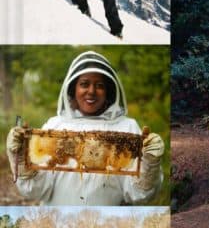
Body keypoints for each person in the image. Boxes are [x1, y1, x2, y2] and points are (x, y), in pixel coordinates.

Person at [5, 51, 165, 205]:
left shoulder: (127, 127)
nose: (91, 91)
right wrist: (21, 157)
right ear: (73, 88)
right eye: (84, 84)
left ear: (108, 90)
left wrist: (149, 164)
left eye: (99, 85)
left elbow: (139, 195)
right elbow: (35, 191)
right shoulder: (55, 126)